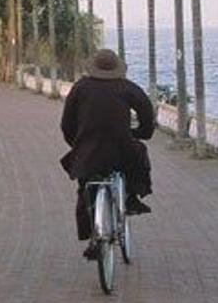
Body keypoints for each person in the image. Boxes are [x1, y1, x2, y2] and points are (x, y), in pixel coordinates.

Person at [59, 48, 155, 259]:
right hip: (121, 149)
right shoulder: (127, 87)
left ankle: (92, 233)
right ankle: (131, 198)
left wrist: (77, 143)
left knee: (86, 186)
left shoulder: (80, 87)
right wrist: (141, 133)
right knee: (138, 156)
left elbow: (66, 123)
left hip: (89, 151)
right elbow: (147, 114)